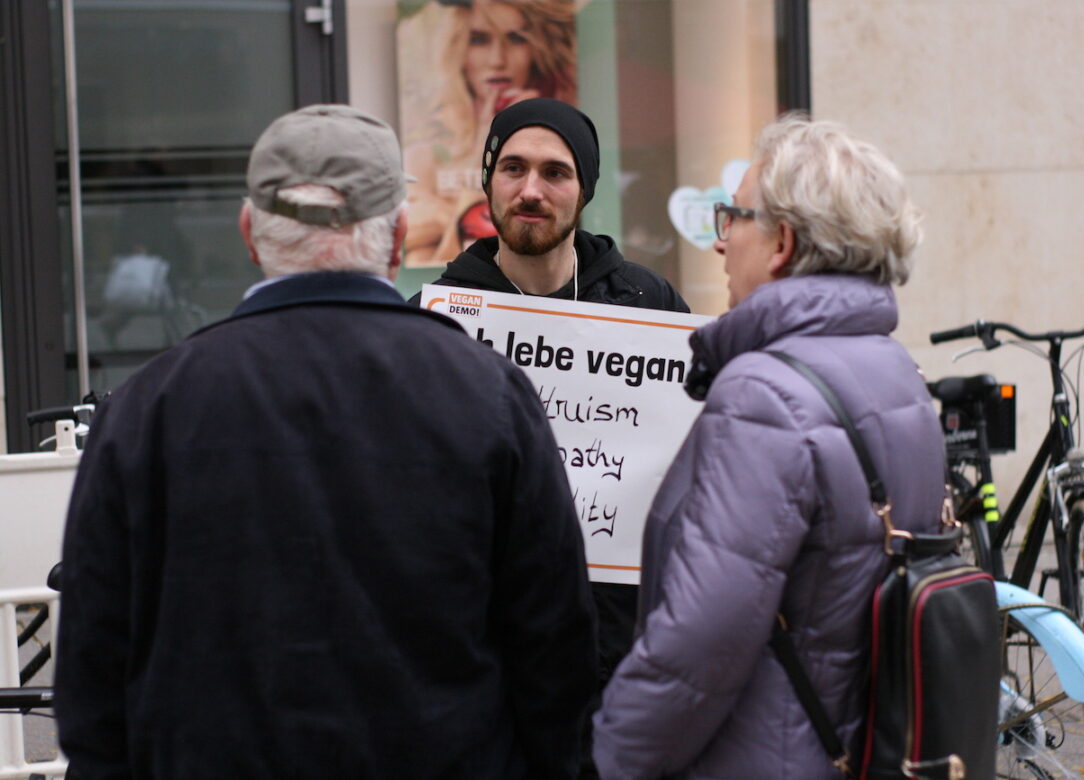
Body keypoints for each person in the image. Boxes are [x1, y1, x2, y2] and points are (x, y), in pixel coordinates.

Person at [54, 104, 598, 780]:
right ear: (398, 238)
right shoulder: (490, 395)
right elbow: (556, 654)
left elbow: (91, 677)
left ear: (250, 233)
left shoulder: (148, 408)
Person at [591, 113, 946, 779]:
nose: (720, 242)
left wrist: (613, 757)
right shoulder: (893, 367)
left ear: (781, 242)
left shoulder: (763, 392)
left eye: (733, 217)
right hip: (854, 744)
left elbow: (703, 635)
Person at [412, 96, 688, 776]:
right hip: (487, 670)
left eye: (555, 172)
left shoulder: (650, 307)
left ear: (584, 189)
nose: (530, 190)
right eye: (513, 168)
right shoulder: (433, 324)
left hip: (623, 667)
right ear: (489, 180)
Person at [403, 0, 577, 266]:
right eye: (479, 40)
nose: (497, 60)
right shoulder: (424, 153)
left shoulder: (568, 132)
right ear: (458, 47)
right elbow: (422, 253)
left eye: (516, 39)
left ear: (538, 49)